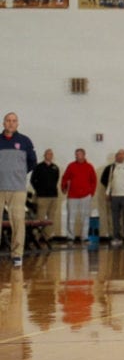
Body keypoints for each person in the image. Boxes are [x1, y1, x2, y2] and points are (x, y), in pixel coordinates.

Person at [0, 112, 36, 267]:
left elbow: (32, 162)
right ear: (3, 123)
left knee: (18, 222)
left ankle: (17, 255)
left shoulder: (25, 141)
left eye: (14, 121)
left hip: (17, 189)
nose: (11, 123)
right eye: (8, 120)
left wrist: (19, 173)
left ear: (17, 123)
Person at [61, 148, 97, 243]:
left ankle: (84, 236)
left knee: (85, 217)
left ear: (84, 155)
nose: (77, 156)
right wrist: (64, 188)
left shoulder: (89, 167)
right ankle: (70, 237)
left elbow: (94, 181)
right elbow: (65, 178)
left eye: (79, 154)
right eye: (76, 154)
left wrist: (91, 192)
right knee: (71, 217)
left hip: (86, 196)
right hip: (73, 196)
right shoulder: (71, 166)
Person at [30, 148, 61, 239]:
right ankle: (36, 238)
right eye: (48, 154)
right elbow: (33, 180)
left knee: (51, 218)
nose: (50, 156)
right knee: (40, 218)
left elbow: (56, 180)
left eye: (51, 154)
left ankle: (46, 237)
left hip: (53, 196)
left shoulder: (55, 167)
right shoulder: (39, 167)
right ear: (44, 155)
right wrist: (39, 190)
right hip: (42, 196)